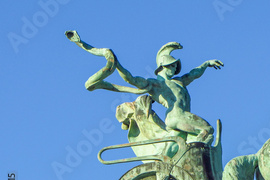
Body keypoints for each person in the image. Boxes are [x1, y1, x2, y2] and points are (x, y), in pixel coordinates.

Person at [66, 30, 223, 144]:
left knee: (198, 139)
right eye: (171, 65)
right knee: (207, 130)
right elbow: (131, 79)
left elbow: (193, 74)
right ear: (162, 66)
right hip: (175, 117)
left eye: (175, 66)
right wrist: (117, 65)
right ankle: (195, 151)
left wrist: (206, 64)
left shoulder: (179, 81)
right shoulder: (155, 83)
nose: (174, 68)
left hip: (182, 117)